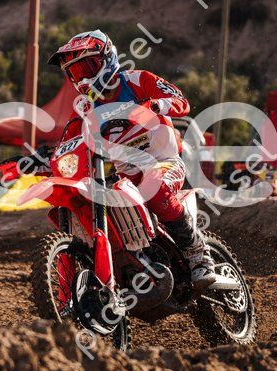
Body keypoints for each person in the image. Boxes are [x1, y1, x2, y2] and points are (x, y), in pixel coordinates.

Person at [47, 29, 217, 290]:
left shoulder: (137, 80)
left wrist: (157, 105)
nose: (83, 78)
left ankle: (198, 253)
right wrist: (40, 159)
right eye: (75, 73)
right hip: (125, 177)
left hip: (163, 162)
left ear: (107, 59)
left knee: (155, 188)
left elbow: (181, 101)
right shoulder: (84, 108)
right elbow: (68, 143)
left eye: (87, 68)